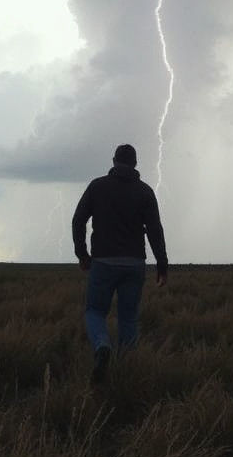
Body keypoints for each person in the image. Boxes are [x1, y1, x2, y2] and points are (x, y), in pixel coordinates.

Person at [72, 143, 168, 384]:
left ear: (114, 161)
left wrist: (82, 255)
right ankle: (126, 372)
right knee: (128, 318)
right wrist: (162, 265)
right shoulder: (145, 191)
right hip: (135, 263)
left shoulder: (97, 186)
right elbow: (155, 230)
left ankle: (102, 346)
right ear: (135, 164)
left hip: (103, 262)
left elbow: (78, 220)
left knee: (94, 311)